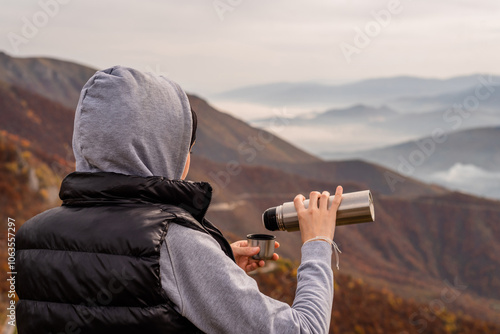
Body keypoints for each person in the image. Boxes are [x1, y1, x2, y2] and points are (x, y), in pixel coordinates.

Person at [15, 66, 343, 334]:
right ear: (160, 150)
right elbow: (304, 330)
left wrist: (216, 263)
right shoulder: (172, 243)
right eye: (184, 146)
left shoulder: (33, 237)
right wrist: (317, 243)